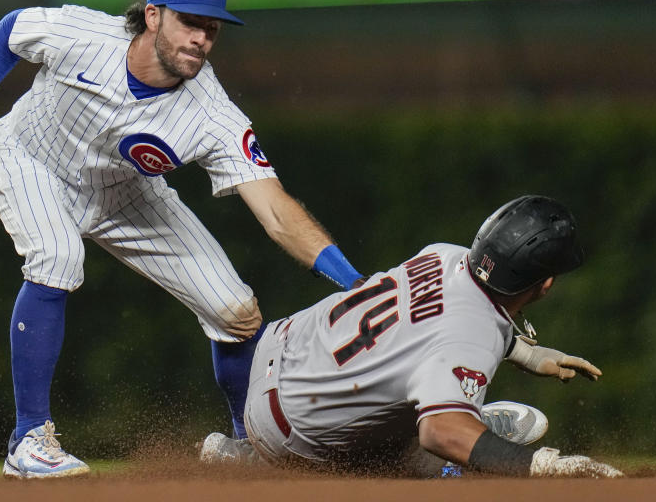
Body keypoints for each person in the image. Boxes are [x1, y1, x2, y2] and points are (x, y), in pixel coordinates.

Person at [0, 0, 361, 478]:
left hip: (123, 192)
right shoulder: (86, 35)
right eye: (189, 21)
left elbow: (277, 211)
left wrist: (352, 282)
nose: (200, 38)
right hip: (26, 157)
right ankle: (27, 439)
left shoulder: (212, 114)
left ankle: (247, 441)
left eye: (211, 28)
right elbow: (11, 30)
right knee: (57, 257)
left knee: (236, 310)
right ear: (153, 15)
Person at [200, 195, 623, 478]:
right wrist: (543, 465)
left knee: (405, 376)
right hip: (292, 433)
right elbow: (441, 432)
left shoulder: (446, 254)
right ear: (544, 284)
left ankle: (244, 455)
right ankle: (469, 418)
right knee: (445, 463)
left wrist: (527, 354)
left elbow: (429, 327)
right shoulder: (470, 340)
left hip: (277, 349)